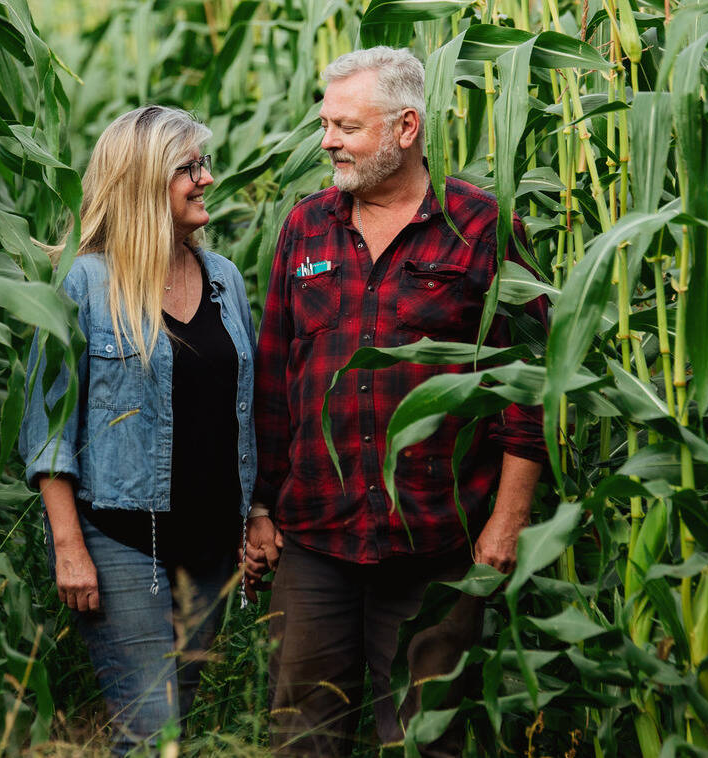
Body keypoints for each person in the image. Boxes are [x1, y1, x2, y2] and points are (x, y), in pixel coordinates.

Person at [243, 47, 548, 756]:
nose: (327, 142)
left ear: (405, 127)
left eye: (346, 127)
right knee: (301, 739)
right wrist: (258, 510)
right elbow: (272, 384)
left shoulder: (481, 227)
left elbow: (526, 385)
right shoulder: (305, 227)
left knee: (420, 743)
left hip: (434, 546)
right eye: (326, 124)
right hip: (313, 543)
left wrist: (504, 526)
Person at [18, 105, 257, 755]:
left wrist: (255, 515)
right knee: (154, 733)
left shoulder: (224, 282)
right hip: (122, 538)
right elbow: (47, 426)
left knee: (177, 721)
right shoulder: (85, 283)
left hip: (211, 548)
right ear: (143, 182)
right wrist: (69, 547)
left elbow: (249, 410)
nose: (205, 178)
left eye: (202, 164)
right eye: (189, 167)